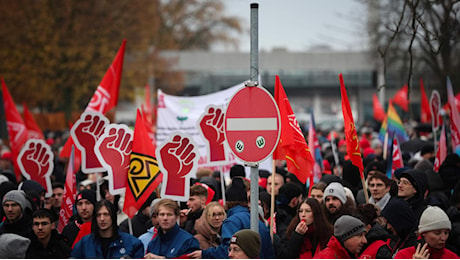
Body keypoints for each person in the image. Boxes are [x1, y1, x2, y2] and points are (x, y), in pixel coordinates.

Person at [189, 177, 275, 259]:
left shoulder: (231, 222)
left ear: (227, 202)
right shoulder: (258, 220)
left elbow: (228, 250)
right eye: (213, 215)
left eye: (219, 214)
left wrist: (204, 254)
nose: (217, 218)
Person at [72, 200, 144, 258]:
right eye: (98, 215)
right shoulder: (84, 244)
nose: (102, 219)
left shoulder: (132, 243)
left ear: (112, 217)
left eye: (106, 214)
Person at [394, 206, 459, 259]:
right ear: (423, 233)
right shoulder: (403, 256)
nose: (443, 238)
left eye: (446, 233)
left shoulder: (453, 257)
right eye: (437, 233)